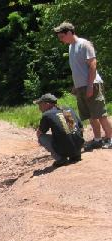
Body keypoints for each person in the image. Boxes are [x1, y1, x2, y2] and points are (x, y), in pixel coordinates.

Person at [54, 21, 112, 150]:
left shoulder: (84, 44)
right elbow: (78, 69)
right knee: (91, 115)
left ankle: (110, 138)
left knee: (100, 114)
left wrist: (90, 86)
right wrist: (76, 86)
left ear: (69, 32)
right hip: (81, 87)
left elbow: (92, 65)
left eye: (62, 37)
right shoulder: (71, 47)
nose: (61, 40)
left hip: (92, 84)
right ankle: (97, 140)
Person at [34, 93, 84, 167]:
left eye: (40, 105)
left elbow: (39, 133)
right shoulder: (67, 109)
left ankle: (61, 159)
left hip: (64, 148)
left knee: (42, 138)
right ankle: (75, 155)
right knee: (71, 131)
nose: (39, 108)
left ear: (47, 104)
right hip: (78, 147)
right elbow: (80, 128)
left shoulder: (47, 114)